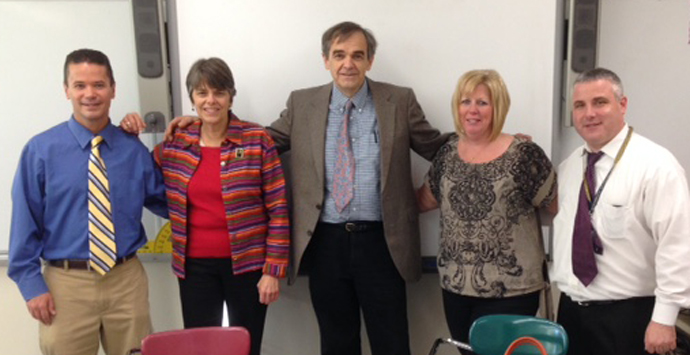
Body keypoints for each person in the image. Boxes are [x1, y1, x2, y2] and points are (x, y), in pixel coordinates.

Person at [8, 49, 168, 355]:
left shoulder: (131, 149)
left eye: (99, 85)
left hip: (126, 282)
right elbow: (24, 223)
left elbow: (168, 202)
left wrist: (184, 137)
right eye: (80, 85)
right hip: (66, 285)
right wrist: (32, 287)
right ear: (66, 90)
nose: (90, 94)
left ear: (113, 89)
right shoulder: (40, 151)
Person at [152, 57, 289, 355]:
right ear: (192, 99)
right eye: (202, 93)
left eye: (219, 92)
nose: (210, 100)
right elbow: (140, 172)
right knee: (201, 349)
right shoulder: (176, 144)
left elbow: (278, 207)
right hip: (194, 268)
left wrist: (272, 271)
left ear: (230, 96)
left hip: (248, 267)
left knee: (245, 347)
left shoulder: (256, 140)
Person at [550, 67, 690, 355]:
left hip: (629, 318)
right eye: (580, 105)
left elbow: (677, 245)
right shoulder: (569, 167)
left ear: (622, 105)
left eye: (599, 102)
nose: (589, 113)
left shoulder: (655, 165)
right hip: (571, 315)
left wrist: (664, 319)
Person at [416, 69, 557, 352]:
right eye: (465, 101)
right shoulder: (447, 153)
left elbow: (554, 208)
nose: (472, 110)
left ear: (498, 107)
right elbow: (425, 201)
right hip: (455, 290)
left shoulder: (525, 154)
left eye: (482, 102)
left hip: (512, 290)